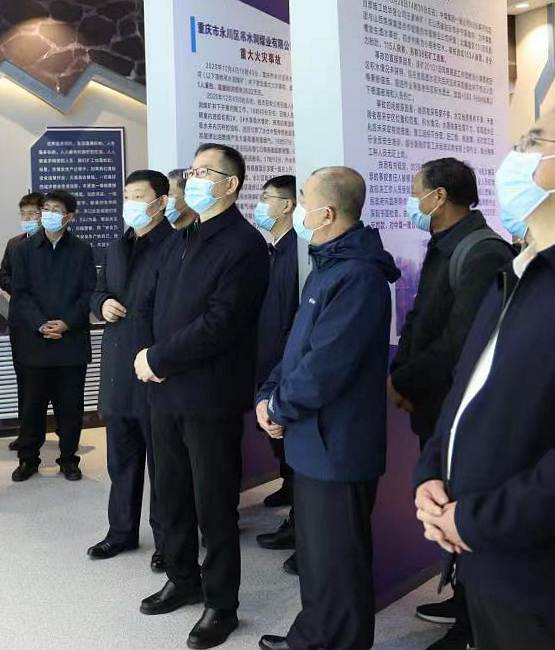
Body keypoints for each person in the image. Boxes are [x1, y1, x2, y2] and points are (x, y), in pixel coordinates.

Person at [414, 100, 555, 650]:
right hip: (484, 563)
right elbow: (466, 392)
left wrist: (474, 520)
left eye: (533, 142)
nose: (515, 157)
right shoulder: (520, 271)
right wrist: (431, 475)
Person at [256, 167, 400, 650]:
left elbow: (326, 366)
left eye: (302, 199)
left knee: (338, 557)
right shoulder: (329, 266)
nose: (296, 208)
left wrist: (279, 406)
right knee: (319, 555)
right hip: (313, 438)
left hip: (338, 443)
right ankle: (316, 636)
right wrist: (270, 394)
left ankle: (334, 641)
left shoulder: (357, 276)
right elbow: (298, 348)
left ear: (328, 212)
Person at [134, 144, 268, 650]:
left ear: (230, 184)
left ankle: (221, 604)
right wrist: (150, 355)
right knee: (170, 493)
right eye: (191, 171)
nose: (192, 179)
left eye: (204, 172)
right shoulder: (181, 237)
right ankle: (182, 578)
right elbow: (153, 304)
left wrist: (159, 358)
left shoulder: (244, 244)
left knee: (214, 503)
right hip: (164, 388)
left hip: (209, 394)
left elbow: (221, 323)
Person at [389, 158, 513, 650]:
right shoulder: (445, 244)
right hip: (433, 402)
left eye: (415, 191)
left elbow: (462, 343)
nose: (411, 201)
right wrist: (404, 378)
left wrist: (405, 381)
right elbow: (422, 319)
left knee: (462, 509)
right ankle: (463, 603)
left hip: (459, 411)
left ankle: (472, 628)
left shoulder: (482, 252)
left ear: (438, 196)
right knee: (444, 502)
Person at [86, 170, 173, 571]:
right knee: (120, 458)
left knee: (163, 464)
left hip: (156, 369)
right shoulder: (116, 246)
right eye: (127, 196)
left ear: (161, 202)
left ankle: (167, 541)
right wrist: (101, 304)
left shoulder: (175, 245)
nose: (131, 204)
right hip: (118, 368)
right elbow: (98, 290)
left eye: (139, 196)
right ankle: (120, 532)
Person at [10, 190, 96, 482]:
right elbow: (20, 295)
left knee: (70, 408)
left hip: (71, 343)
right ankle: (28, 459)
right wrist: (41, 324)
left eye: (55, 210)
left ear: (69, 217)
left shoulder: (82, 250)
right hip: (34, 342)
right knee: (31, 407)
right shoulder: (23, 249)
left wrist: (66, 323)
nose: (48, 214)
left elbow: (88, 293)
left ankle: (69, 459)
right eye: (45, 208)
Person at [251, 176, 302, 569]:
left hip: (284, 368)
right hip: (267, 365)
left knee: (293, 448)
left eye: (266, 198)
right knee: (281, 449)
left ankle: (299, 525)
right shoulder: (273, 251)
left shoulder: (297, 253)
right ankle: (289, 494)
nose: (260, 205)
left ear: (286, 206)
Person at [0, 192, 44, 452]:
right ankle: (26, 435)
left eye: (32, 214)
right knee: (24, 383)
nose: (27, 218)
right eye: (24, 214)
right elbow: (2, 275)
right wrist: (19, 289)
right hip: (21, 324)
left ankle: (61, 437)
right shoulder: (14, 244)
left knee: (50, 384)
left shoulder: (54, 244)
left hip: (49, 323)